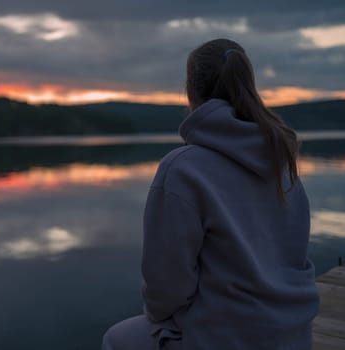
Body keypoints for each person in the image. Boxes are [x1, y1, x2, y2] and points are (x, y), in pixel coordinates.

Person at [101, 38, 320, 350]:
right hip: (293, 334)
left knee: (115, 339)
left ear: (192, 90)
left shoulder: (183, 169)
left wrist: (161, 316)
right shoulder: (282, 163)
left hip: (224, 337)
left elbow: (165, 290)